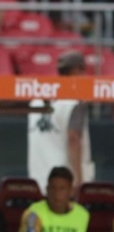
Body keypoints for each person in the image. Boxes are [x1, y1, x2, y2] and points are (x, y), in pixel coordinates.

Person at [28, 50, 94, 195]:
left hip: (37, 180)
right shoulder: (74, 100)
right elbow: (73, 139)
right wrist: (78, 180)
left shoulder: (36, 100)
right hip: (64, 184)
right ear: (77, 71)